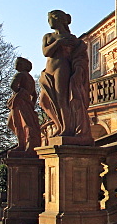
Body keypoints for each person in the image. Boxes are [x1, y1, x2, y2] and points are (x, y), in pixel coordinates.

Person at [38, 10, 94, 144]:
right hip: (48, 71)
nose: (49, 21)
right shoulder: (48, 36)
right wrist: (58, 43)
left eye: (50, 18)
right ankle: (59, 125)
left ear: (59, 20)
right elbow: (46, 52)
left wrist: (78, 71)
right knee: (44, 102)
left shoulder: (72, 39)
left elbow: (80, 54)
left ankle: (66, 128)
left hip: (62, 68)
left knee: (62, 99)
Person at [7, 57, 42, 150]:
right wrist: (31, 105)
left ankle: (21, 145)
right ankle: (25, 143)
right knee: (18, 123)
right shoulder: (30, 78)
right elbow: (34, 94)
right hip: (26, 103)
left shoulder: (20, 75)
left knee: (17, 124)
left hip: (19, 101)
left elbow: (13, 86)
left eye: (17, 63)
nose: (15, 66)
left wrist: (21, 93)